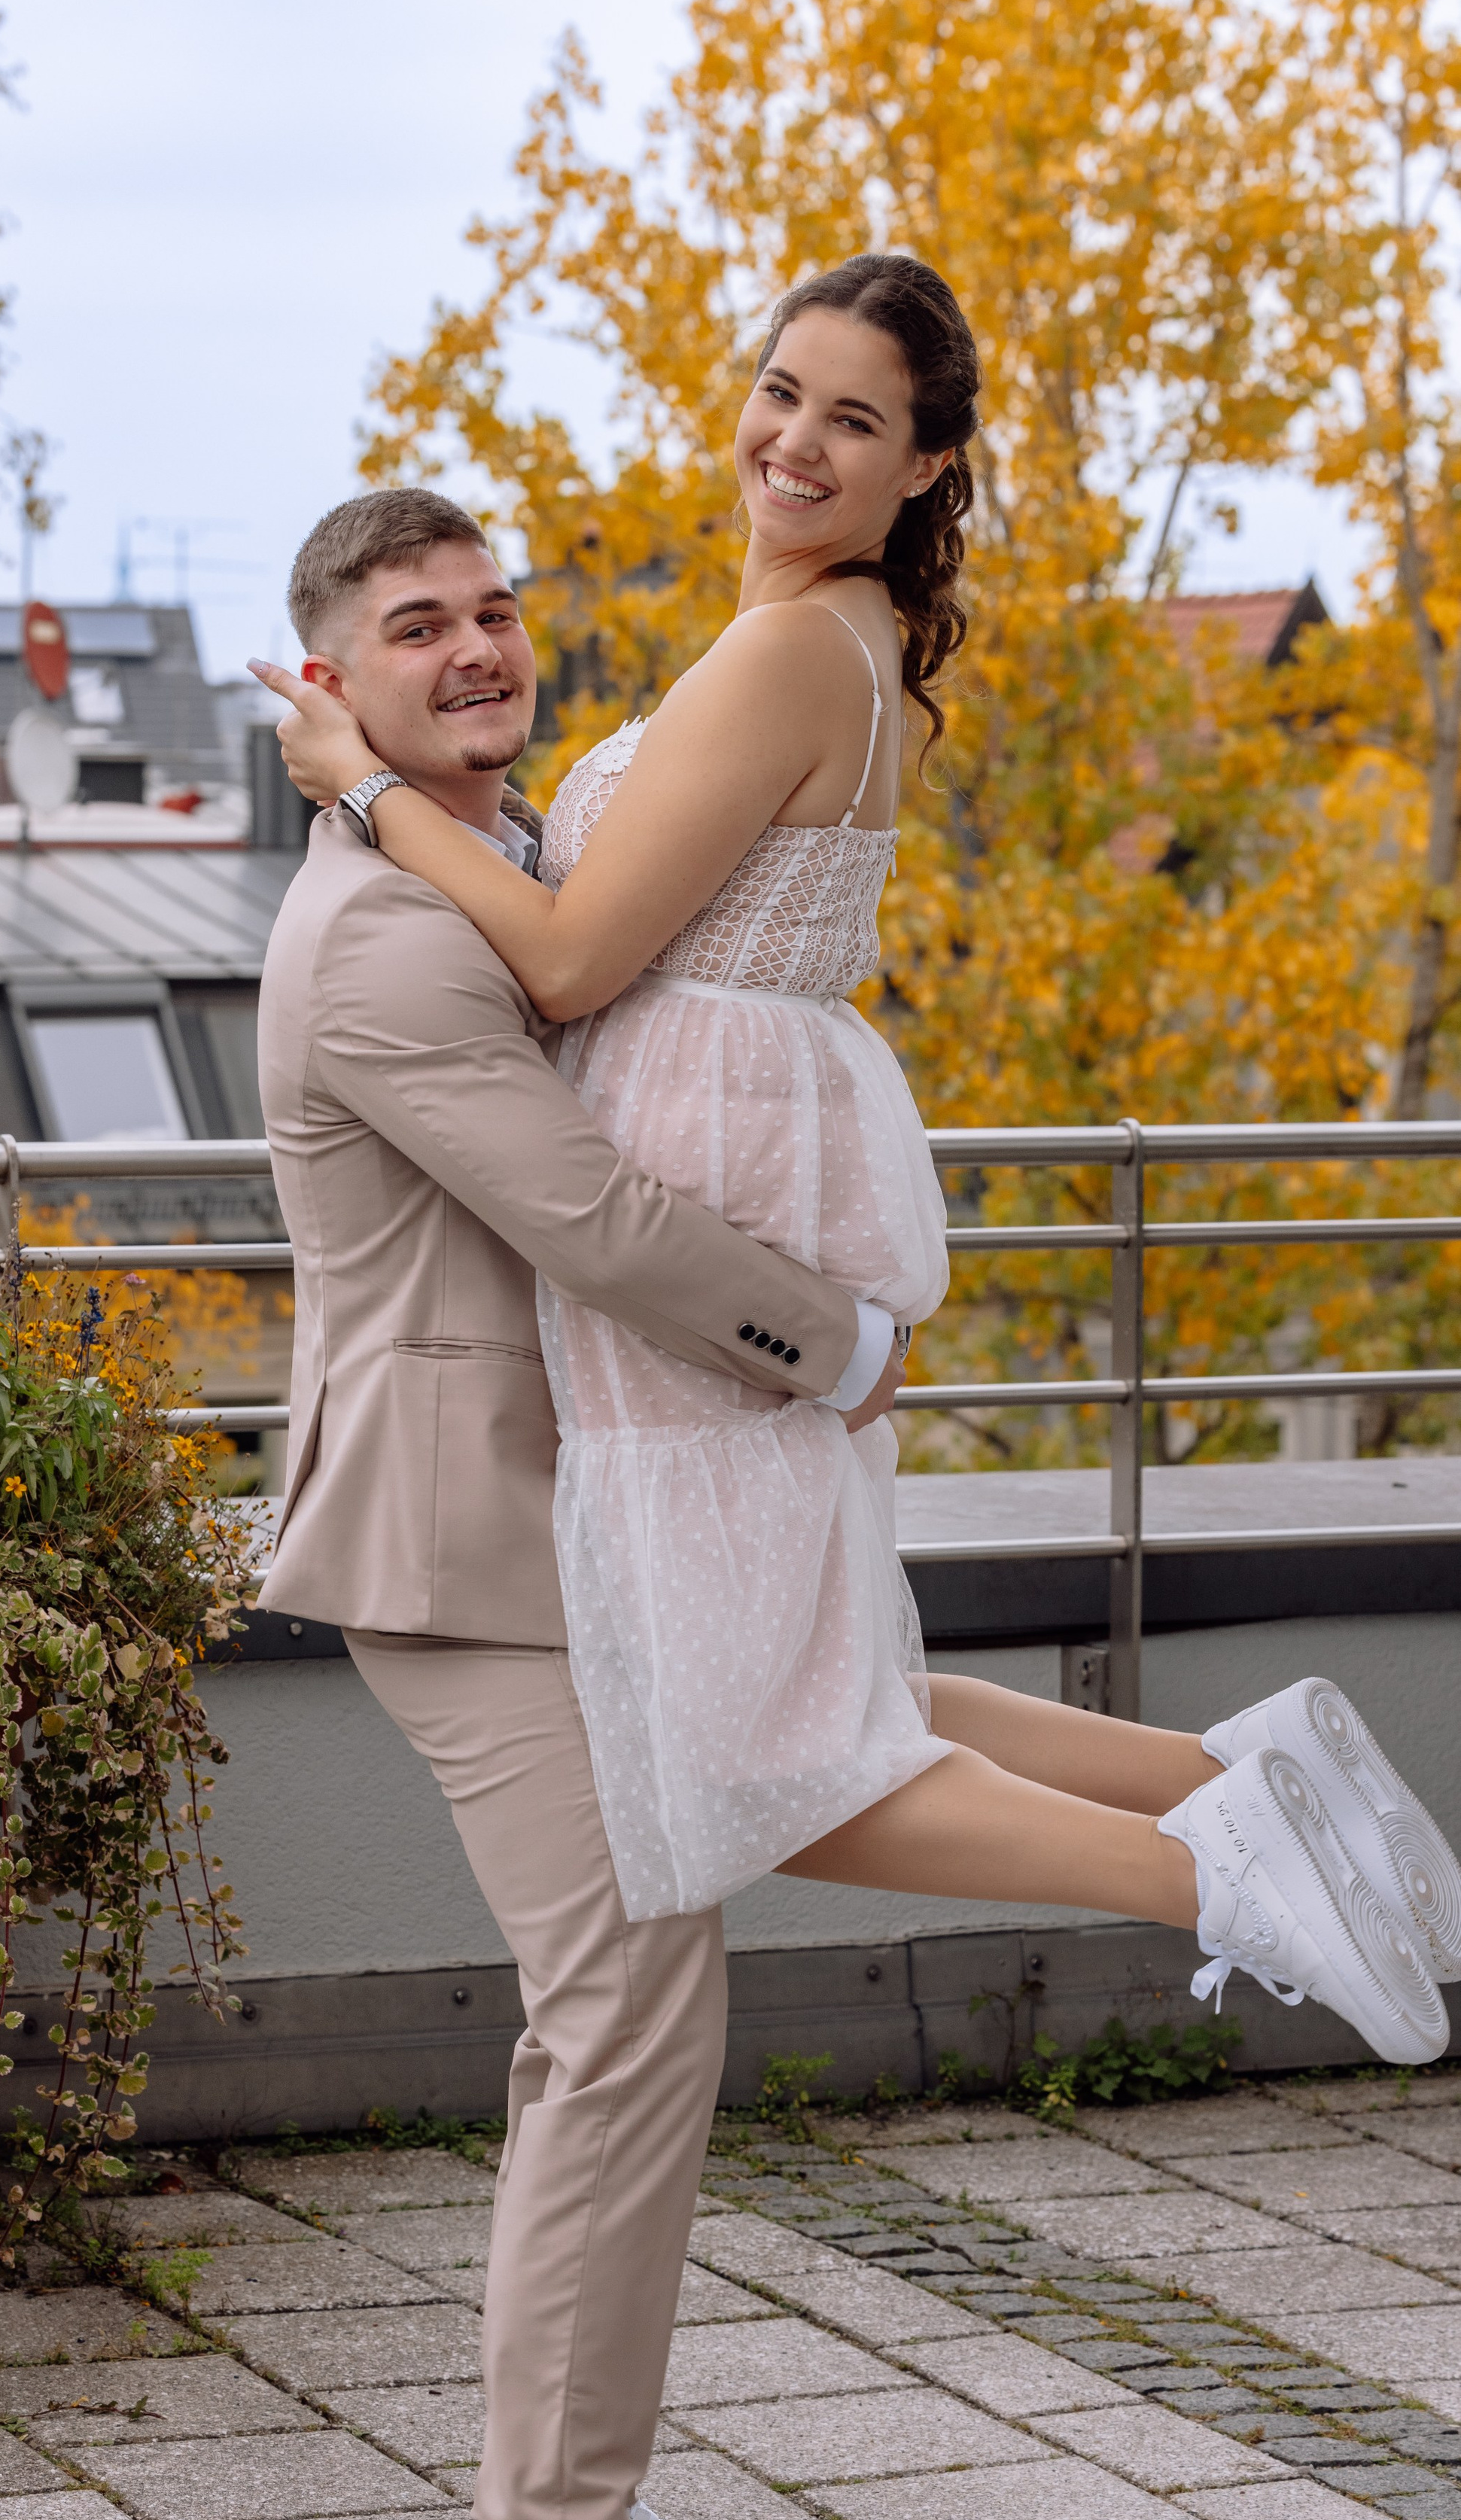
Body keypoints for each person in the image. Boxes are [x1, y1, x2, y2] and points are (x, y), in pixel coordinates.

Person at [256, 263, 1461, 2191]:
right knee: (827, 1695)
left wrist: (363, 794)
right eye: (778, 391)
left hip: (703, 1223)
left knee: (769, 1755)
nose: (790, 442)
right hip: (750, 1171)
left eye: (849, 419)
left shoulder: (786, 652)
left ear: (924, 466)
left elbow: (566, 955)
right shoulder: (823, 638)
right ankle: (1251, 1784)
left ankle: (1207, 1857)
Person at [252, 482, 890, 2520]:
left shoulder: (472, 887)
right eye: (417, 628)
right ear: (332, 682)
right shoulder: (395, 944)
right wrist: (844, 1342)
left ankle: (589, 2518)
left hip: (544, 1516)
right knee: (619, 2016)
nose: (478, 648)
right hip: (457, 1536)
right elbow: (599, 1220)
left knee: (637, 2010)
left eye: (496, 610)